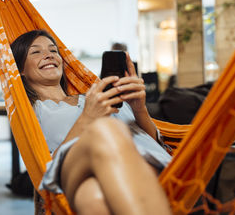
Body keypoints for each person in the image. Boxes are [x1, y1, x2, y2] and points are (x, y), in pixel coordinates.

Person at [10, 30, 172, 215]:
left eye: (53, 51)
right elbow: (45, 167)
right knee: (105, 128)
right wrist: (88, 118)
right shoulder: (31, 111)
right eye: (36, 52)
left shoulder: (98, 96)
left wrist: (138, 108)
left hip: (149, 164)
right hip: (73, 170)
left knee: (92, 197)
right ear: (20, 69)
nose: (48, 55)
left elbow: (152, 142)